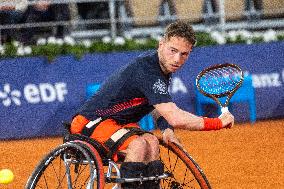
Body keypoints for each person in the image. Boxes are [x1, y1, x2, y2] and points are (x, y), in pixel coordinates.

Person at [70, 21, 234, 189]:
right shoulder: (148, 71)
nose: (177, 59)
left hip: (118, 124)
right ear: (161, 44)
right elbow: (175, 117)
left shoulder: (162, 68)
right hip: (89, 122)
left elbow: (155, 106)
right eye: (173, 50)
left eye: (184, 54)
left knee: (152, 142)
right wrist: (218, 122)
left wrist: (166, 129)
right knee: (138, 145)